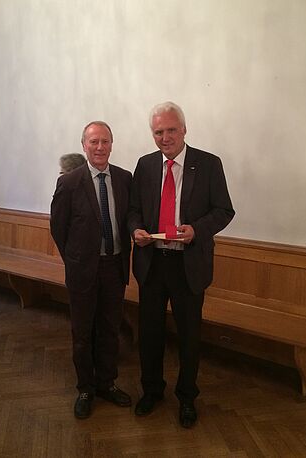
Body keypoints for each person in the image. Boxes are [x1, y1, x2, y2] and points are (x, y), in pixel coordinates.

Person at [128, 102, 235, 428]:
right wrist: (135, 229)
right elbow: (133, 210)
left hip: (189, 265)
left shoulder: (209, 164)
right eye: (158, 132)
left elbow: (224, 210)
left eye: (171, 130)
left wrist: (197, 230)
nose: (165, 137)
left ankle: (187, 397)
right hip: (152, 263)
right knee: (150, 333)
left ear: (184, 130)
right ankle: (152, 391)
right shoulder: (145, 165)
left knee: (189, 336)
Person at [50, 121, 132, 419]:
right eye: (94, 141)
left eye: (105, 141)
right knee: (83, 333)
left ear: (112, 144)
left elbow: (128, 218)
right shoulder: (70, 182)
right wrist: (74, 261)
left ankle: (106, 383)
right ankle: (85, 388)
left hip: (114, 266)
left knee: (110, 329)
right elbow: (58, 228)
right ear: (84, 145)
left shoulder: (124, 178)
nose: (99, 147)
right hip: (83, 270)